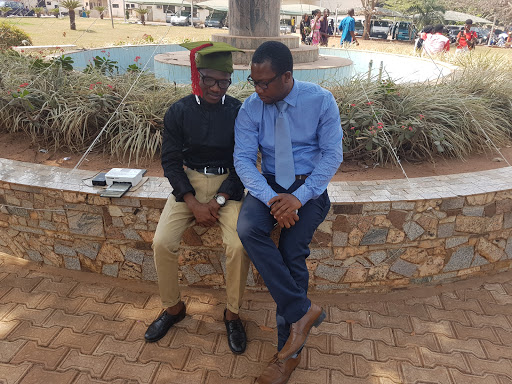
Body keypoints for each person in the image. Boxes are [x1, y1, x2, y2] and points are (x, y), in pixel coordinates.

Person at [234, 41, 343, 384]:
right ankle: (302, 311)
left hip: (307, 186)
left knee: (291, 253)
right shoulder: (252, 107)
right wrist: (271, 200)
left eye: (265, 83)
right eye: (254, 82)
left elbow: (331, 156)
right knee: (248, 229)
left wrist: (300, 197)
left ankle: (287, 357)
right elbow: (243, 160)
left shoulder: (321, 100)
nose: (258, 89)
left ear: (287, 77)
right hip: (268, 184)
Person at [144, 41, 251, 355]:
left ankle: (232, 313)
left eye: (224, 81)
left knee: (238, 245)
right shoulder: (178, 111)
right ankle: (174, 309)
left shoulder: (238, 111)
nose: (217, 87)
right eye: (210, 80)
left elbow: (243, 161)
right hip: (187, 183)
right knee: (162, 242)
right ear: (198, 76)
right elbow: (171, 161)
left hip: (227, 186)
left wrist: (218, 200)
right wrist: (191, 201)